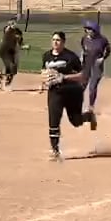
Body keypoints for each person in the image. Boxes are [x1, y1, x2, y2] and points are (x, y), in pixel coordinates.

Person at [40, 31, 95, 161]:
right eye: (53, 40)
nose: (55, 42)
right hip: (55, 92)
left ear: (63, 42)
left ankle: (88, 116)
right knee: (53, 121)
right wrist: (44, 80)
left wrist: (64, 77)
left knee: (76, 121)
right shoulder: (46, 56)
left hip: (72, 92)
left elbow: (83, 75)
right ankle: (55, 151)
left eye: (58, 40)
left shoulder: (70, 57)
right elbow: (43, 71)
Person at [80, 19, 111, 112]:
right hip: (86, 64)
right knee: (82, 85)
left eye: (89, 29)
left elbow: (108, 50)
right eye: (86, 29)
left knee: (92, 86)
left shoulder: (102, 40)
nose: (87, 31)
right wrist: (82, 56)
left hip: (97, 65)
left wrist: (103, 58)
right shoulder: (84, 38)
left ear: (95, 30)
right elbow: (83, 48)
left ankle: (91, 107)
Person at [0, 21, 24, 91]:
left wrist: (23, 46)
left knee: (14, 70)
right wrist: (9, 26)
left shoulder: (18, 32)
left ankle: (4, 81)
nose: (13, 25)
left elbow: (20, 43)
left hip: (13, 52)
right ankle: (4, 82)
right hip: (5, 51)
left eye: (14, 23)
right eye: (12, 24)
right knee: (8, 67)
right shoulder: (7, 30)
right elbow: (6, 30)